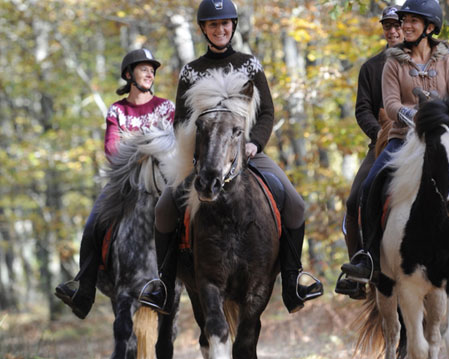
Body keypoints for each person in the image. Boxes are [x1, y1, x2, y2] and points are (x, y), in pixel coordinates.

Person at [138, 0, 323, 315]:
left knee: (294, 203)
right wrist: (197, 153)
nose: (220, 29)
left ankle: (293, 280)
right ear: (204, 30)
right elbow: (181, 120)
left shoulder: (249, 64)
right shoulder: (191, 70)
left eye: (225, 24)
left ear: (233, 26)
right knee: (164, 209)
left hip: (247, 153)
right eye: (213, 25)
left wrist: (256, 143)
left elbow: (266, 111)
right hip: (203, 157)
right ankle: (165, 287)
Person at [340, 0, 449, 293]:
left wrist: (448, 115)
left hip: (441, 140)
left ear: (429, 28)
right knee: (371, 183)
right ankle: (368, 257)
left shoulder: (447, 61)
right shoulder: (392, 62)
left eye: (412, 21)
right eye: (403, 20)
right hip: (401, 139)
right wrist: (414, 117)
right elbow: (391, 103)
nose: (405, 26)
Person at [55, 48, 175, 319]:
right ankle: (83, 290)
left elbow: (172, 144)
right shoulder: (117, 110)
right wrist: (144, 148)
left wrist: (139, 145)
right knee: (94, 222)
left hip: (161, 181)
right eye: (143, 68)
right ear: (128, 74)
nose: (149, 73)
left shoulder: (166, 107)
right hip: (126, 183)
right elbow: (111, 149)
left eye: (152, 69)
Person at [335, 5, 404, 300]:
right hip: (384, 141)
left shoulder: (425, 62)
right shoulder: (371, 67)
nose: (392, 31)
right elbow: (362, 108)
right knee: (354, 201)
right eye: (387, 26)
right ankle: (359, 268)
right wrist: (378, 133)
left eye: (397, 25)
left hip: (425, 139)